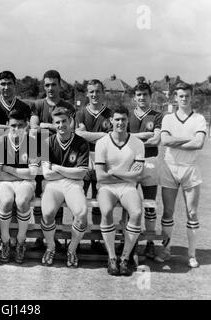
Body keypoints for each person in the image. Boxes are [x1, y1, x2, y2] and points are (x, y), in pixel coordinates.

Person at [156, 82, 206, 268]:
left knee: (192, 212)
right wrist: (188, 139)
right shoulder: (168, 118)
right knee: (168, 211)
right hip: (170, 167)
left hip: (190, 168)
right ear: (175, 98)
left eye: (187, 95)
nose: (184, 99)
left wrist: (174, 142)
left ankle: (192, 255)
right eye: (180, 96)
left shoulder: (199, 119)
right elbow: (165, 140)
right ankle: (166, 250)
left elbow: (199, 144)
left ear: (191, 97)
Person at [95, 105, 145, 276]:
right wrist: (128, 174)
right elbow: (100, 177)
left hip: (127, 187)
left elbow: (137, 176)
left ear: (128, 120)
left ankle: (124, 258)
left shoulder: (137, 143)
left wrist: (114, 171)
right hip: (106, 187)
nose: (120, 122)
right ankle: (112, 258)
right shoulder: (102, 142)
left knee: (137, 213)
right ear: (111, 121)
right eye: (117, 119)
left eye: (123, 119)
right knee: (107, 211)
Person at [29, 70, 75, 251]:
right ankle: (41, 237)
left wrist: (44, 125)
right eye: (47, 85)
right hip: (39, 154)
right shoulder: (38, 104)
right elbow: (33, 128)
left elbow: (70, 131)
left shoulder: (67, 106)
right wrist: (55, 127)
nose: (50, 88)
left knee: (58, 196)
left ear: (60, 85)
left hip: (59, 155)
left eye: (53, 84)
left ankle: (54, 237)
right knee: (39, 196)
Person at [0, 70, 32, 248]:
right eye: (2, 84)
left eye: (9, 84)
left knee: (17, 197)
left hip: (19, 153)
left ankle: (12, 235)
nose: (6, 87)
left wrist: (2, 128)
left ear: (15, 85)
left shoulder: (23, 107)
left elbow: (25, 130)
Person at [40, 107, 89, 267]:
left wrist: (58, 168)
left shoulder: (81, 142)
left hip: (73, 185)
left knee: (81, 215)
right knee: (47, 214)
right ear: (53, 124)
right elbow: (47, 174)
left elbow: (81, 174)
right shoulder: (47, 142)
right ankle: (51, 246)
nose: (61, 125)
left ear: (71, 121)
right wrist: (70, 172)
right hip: (53, 184)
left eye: (64, 121)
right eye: (57, 122)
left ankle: (72, 249)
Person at [0, 107, 38, 264]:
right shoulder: (0, 142)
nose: (16, 129)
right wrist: (21, 173)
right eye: (13, 125)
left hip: (25, 182)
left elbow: (33, 174)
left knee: (21, 201)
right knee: (6, 201)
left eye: (20, 125)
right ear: (7, 125)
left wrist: (9, 169)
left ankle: (20, 240)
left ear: (26, 125)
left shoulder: (32, 142)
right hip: (3, 182)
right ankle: (4, 241)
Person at [125, 82, 162, 259]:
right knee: (128, 203)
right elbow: (121, 139)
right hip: (130, 162)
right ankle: (128, 242)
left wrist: (133, 140)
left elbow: (156, 140)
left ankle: (149, 242)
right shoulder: (128, 116)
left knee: (149, 204)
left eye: (145, 95)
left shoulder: (157, 116)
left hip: (150, 162)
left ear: (150, 96)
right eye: (138, 95)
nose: (141, 98)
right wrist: (141, 138)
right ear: (134, 97)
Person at [75, 79, 112, 254]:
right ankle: (78, 237)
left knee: (99, 201)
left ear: (102, 92)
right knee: (80, 199)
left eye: (97, 91)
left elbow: (111, 137)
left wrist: (88, 135)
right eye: (91, 92)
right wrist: (102, 135)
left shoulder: (110, 113)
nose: (94, 95)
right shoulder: (81, 113)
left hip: (103, 160)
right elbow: (79, 135)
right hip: (83, 158)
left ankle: (96, 239)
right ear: (87, 94)